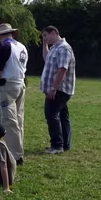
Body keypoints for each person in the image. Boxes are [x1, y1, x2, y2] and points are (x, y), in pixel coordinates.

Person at [0, 23, 28, 165]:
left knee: (9, 120)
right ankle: (19, 149)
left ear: (1, 36)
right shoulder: (22, 47)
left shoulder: (5, 48)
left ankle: (15, 155)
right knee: (19, 119)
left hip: (8, 85)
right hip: (20, 83)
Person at [41, 26, 76, 154]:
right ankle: (65, 144)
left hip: (60, 89)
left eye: (45, 36)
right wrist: (44, 45)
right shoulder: (55, 48)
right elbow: (47, 59)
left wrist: (54, 88)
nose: (44, 39)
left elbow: (63, 69)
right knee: (62, 116)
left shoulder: (64, 48)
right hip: (57, 89)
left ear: (54, 33)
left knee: (51, 115)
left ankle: (57, 146)